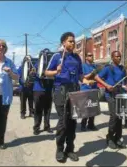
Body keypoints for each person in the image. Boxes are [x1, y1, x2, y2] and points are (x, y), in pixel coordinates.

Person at [45, 32, 83, 163]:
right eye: (70, 41)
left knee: (73, 121)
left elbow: (80, 76)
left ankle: (70, 149)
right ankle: (59, 149)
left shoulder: (77, 58)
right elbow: (46, 72)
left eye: (74, 41)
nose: (73, 43)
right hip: (60, 91)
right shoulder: (57, 56)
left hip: (74, 91)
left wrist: (87, 80)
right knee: (63, 121)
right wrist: (56, 71)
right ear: (63, 43)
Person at [0, 39, 19, 151]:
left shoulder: (9, 62)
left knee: (2, 119)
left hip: (5, 96)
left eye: (3, 46)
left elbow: (17, 78)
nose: (0, 47)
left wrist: (10, 72)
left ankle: (0, 142)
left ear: (5, 48)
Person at [95, 50, 126, 149]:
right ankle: (110, 138)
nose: (119, 58)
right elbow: (97, 77)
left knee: (120, 117)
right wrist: (107, 85)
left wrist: (126, 87)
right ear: (112, 58)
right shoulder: (108, 68)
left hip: (120, 94)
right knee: (114, 116)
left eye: (120, 56)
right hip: (110, 95)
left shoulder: (122, 68)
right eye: (116, 56)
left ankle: (118, 138)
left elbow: (123, 82)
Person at [32, 50, 54, 135]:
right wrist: (33, 72)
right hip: (38, 89)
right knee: (38, 109)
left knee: (47, 109)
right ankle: (36, 127)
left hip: (48, 89)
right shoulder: (39, 62)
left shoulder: (52, 64)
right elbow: (33, 74)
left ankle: (47, 126)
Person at [80, 52, 98, 131]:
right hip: (85, 89)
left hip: (94, 88)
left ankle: (91, 124)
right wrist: (92, 73)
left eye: (92, 55)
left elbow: (97, 77)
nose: (91, 57)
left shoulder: (94, 66)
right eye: (89, 55)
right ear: (86, 57)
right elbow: (83, 77)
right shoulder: (83, 66)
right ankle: (83, 124)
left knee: (93, 107)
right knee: (86, 108)